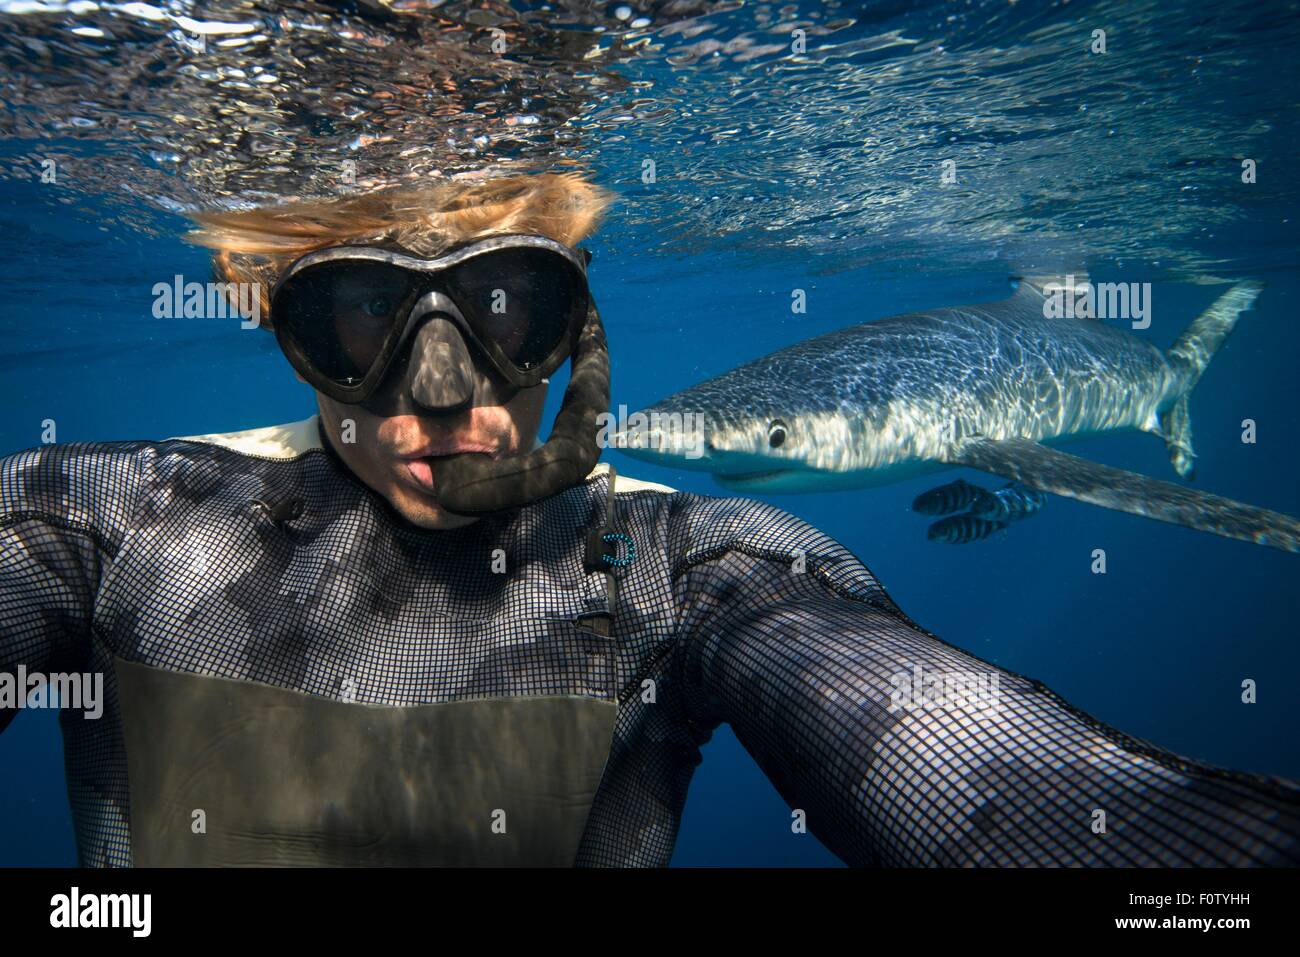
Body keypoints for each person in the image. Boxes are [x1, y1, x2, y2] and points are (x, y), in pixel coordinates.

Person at [1, 171, 1297, 867]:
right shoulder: (103, 519)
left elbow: (940, 745)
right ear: (285, 332)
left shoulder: (683, 565)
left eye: (506, 312)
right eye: (356, 318)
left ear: (575, 330)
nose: (439, 397)